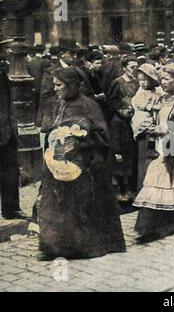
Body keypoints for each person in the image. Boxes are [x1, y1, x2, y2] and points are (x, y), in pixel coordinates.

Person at [38, 66, 126, 260]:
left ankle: (83, 246)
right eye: (54, 85)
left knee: (83, 208)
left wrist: (78, 141)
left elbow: (102, 136)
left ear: (72, 86)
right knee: (57, 205)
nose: (55, 89)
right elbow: (49, 128)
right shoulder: (56, 103)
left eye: (59, 85)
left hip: (85, 166)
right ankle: (58, 246)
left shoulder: (88, 105)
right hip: (60, 163)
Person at [133, 63, 174, 243]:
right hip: (159, 147)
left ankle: (150, 227)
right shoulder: (164, 98)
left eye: (167, 79)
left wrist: (165, 129)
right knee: (167, 184)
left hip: (171, 149)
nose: (163, 82)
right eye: (162, 79)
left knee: (157, 181)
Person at [0, 41, 27, 220]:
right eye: (3, 48)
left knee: (11, 170)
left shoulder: (3, 67)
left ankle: (11, 209)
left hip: (7, 129)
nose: (8, 50)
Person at [132, 63, 163, 190]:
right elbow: (137, 103)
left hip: (154, 121)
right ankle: (142, 188)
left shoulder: (155, 91)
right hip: (143, 120)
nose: (142, 83)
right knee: (144, 160)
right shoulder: (141, 92)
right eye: (140, 80)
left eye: (145, 80)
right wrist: (151, 107)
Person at [110, 100, 136, 203]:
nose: (130, 114)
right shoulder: (116, 121)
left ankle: (127, 191)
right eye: (127, 111)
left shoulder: (125, 120)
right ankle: (116, 192)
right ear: (121, 110)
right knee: (116, 173)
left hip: (126, 152)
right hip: (118, 153)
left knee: (124, 173)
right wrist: (117, 152)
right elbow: (115, 138)